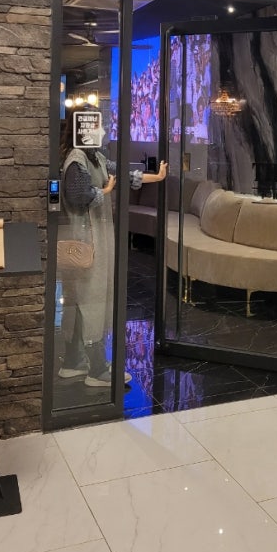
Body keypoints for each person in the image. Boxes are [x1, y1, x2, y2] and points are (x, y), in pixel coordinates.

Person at [57, 107, 167, 388]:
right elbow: (77, 196)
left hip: (93, 239)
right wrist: (104, 192)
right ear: (85, 129)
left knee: (81, 300)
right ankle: (96, 369)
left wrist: (156, 177)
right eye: (99, 126)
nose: (104, 131)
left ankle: (73, 361)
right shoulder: (77, 159)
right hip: (86, 241)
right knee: (90, 299)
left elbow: (123, 174)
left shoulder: (95, 157)